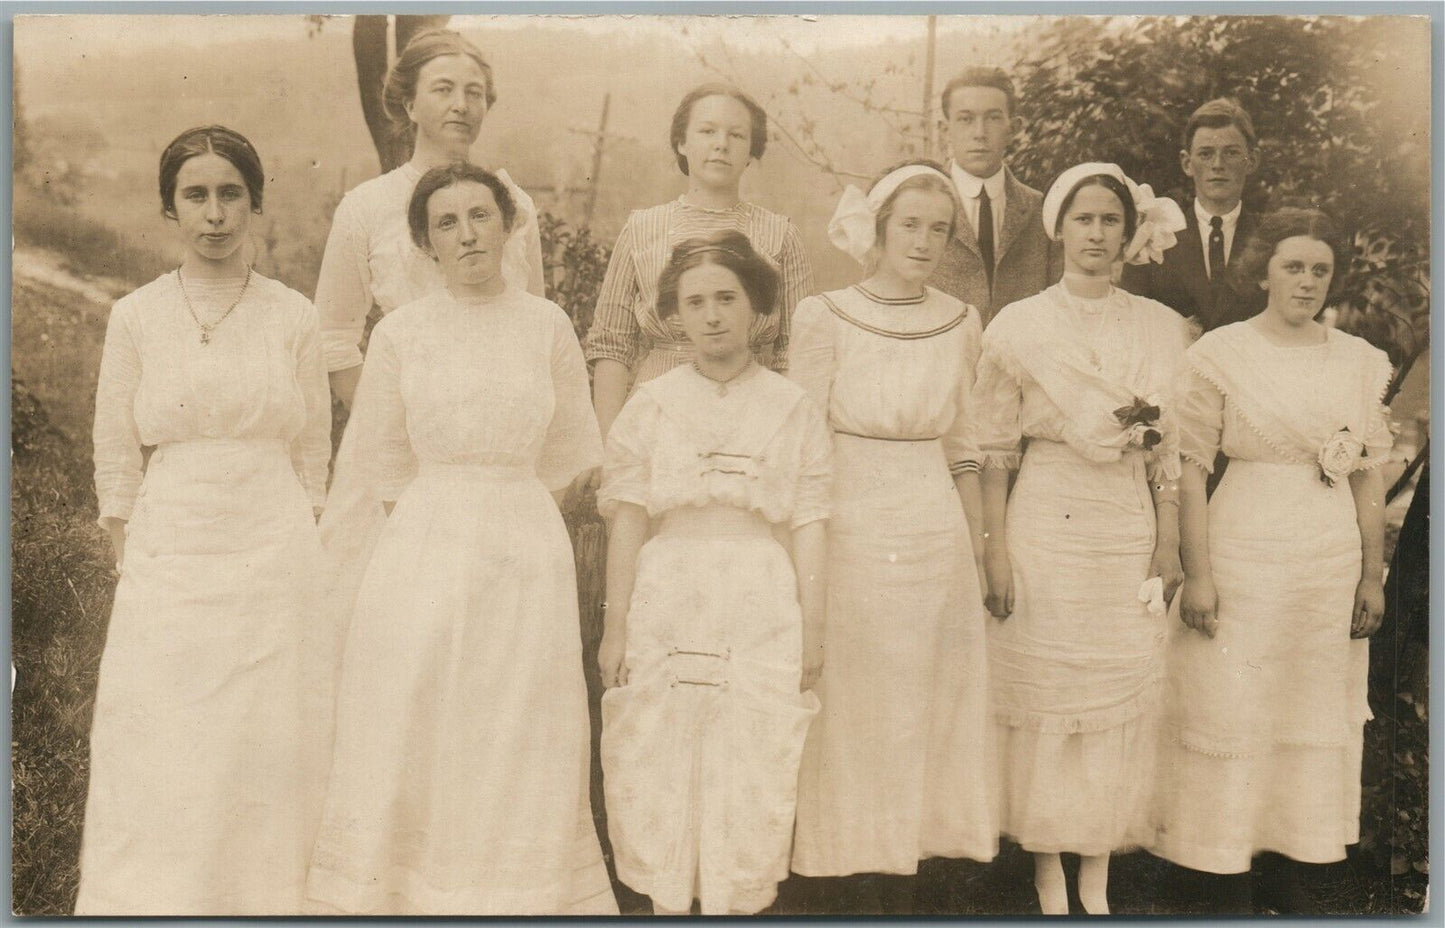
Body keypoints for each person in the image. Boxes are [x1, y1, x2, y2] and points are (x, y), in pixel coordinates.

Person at [304, 164, 616, 915]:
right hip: (424, 541)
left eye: (481, 215)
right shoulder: (403, 333)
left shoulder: (546, 324)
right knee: (425, 714)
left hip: (523, 546)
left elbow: (573, 447)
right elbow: (380, 458)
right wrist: (445, 522)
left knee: (517, 721)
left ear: (509, 228)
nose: (468, 233)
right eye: (447, 222)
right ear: (425, 244)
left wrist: (507, 513)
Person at [83, 125, 332, 914]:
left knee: (262, 736)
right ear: (170, 209)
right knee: (164, 730)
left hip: (270, 548)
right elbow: (116, 451)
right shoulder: (136, 317)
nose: (215, 214)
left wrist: (297, 547)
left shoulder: (295, 318)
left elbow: (314, 457)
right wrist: (132, 546)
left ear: (254, 204)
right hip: (172, 549)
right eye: (196, 195)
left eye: (231, 194)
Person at [1152, 208, 1392, 914]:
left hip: (1324, 557)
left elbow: (1367, 476)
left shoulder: (1357, 360)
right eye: (1293, 266)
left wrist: (1369, 574)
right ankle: (1218, 865)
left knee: (1308, 703)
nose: (1307, 281)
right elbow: (1191, 468)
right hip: (1245, 545)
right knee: (1234, 700)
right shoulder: (1219, 354)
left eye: (1320, 270)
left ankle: (1290, 859)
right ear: (1262, 271)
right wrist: (1199, 573)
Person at [973, 163, 1189, 915]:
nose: (1096, 234)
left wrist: (1167, 544)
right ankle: (1045, 867)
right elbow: (995, 450)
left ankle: (1094, 868)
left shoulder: (1160, 328)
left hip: (1122, 520)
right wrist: (994, 549)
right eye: (1083, 219)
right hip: (1045, 516)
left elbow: (1171, 451)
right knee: (1047, 682)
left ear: (1129, 234)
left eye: (1109, 221)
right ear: (1059, 228)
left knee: (1115, 683)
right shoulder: (1019, 327)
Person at [596, 230, 831, 916]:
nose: (711, 315)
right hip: (671, 588)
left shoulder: (791, 407)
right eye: (694, 302)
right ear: (674, 315)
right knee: (660, 747)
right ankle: (669, 903)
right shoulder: (650, 404)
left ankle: (737, 902)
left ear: (758, 307)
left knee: (751, 754)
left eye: (726, 298)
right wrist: (615, 626)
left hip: (758, 594)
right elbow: (630, 517)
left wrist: (812, 631)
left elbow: (810, 522)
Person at [789, 162, 997, 914]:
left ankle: (907, 861)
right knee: (854, 688)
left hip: (930, 515)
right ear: (877, 229)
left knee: (923, 689)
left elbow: (965, 441)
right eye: (908, 224)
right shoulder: (825, 313)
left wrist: (976, 550)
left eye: (937, 229)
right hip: (851, 509)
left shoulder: (959, 318)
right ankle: (838, 863)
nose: (922, 240)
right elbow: (803, 437)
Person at [314, 29, 549, 639]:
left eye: (474, 92)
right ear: (408, 103)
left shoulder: (514, 206)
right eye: (442, 89)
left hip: (491, 459)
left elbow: (535, 333)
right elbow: (335, 339)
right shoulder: (367, 206)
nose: (461, 105)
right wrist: (401, 426)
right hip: (394, 455)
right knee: (388, 632)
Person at [584, 82, 814, 442]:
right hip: (654, 419)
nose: (721, 143)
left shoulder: (781, 235)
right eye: (707, 131)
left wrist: (782, 437)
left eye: (737, 135)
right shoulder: (641, 229)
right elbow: (611, 345)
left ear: (752, 151)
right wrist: (611, 442)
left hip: (751, 417)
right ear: (681, 142)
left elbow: (796, 352)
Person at [1120, 98, 1267, 332]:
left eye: (1231, 153)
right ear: (1187, 163)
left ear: (1252, 161)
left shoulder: (1271, 239)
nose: (1218, 164)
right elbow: (1131, 324)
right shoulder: (1153, 237)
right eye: (1206, 154)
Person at [929, 67, 1058, 327]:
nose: (980, 132)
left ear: (1014, 128)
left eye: (993, 118)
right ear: (945, 130)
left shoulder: (1041, 210)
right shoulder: (916, 206)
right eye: (965, 119)